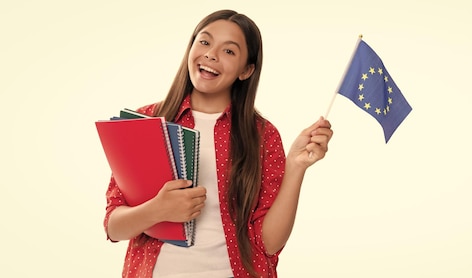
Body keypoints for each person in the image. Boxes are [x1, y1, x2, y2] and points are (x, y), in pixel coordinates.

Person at [104, 9, 333, 278]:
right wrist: (158, 209)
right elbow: (113, 227)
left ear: (246, 70)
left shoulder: (262, 135)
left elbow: (269, 244)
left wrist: (296, 167)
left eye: (229, 51)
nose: (211, 54)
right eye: (204, 42)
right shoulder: (145, 122)